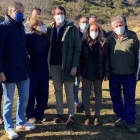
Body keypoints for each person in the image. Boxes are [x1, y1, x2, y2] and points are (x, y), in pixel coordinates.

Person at [0, 2, 35, 139]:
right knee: (8, 101)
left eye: (22, 11)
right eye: (18, 11)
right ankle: (9, 127)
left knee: (24, 98)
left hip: (23, 69)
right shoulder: (3, 28)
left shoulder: (20, 26)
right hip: (8, 71)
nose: (21, 13)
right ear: (10, 12)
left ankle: (21, 121)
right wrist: (1, 71)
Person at [47, 6, 82, 126]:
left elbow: (78, 48)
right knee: (57, 90)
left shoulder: (72, 28)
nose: (60, 15)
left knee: (69, 91)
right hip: (54, 65)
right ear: (53, 15)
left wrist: (74, 66)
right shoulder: (49, 29)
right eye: (57, 13)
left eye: (62, 13)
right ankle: (59, 113)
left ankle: (71, 115)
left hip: (68, 66)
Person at [107, 16, 139, 134]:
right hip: (114, 75)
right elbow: (106, 57)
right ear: (112, 28)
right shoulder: (109, 40)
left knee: (129, 99)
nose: (119, 28)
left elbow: (138, 57)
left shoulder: (133, 39)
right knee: (116, 98)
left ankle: (130, 122)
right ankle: (121, 116)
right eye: (117, 26)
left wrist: (137, 72)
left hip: (129, 74)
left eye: (121, 25)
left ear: (125, 25)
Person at [78, 22, 110, 126]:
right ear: (88, 31)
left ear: (99, 31)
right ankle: (87, 115)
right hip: (86, 72)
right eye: (92, 30)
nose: (94, 32)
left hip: (98, 72)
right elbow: (80, 59)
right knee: (86, 95)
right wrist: (79, 73)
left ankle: (97, 115)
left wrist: (106, 73)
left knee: (98, 94)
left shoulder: (103, 43)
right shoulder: (83, 42)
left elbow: (106, 58)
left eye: (96, 30)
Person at [26, 16, 49, 124]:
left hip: (44, 70)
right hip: (32, 70)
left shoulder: (45, 37)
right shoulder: (28, 37)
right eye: (41, 23)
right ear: (34, 26)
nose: (43, 25)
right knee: (31, 94)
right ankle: (30, 115)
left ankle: (40, 113)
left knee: (43, 93)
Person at [74, 16, 89, 113]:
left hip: (86, 64)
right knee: (75, 84)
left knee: (86, 85)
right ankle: (75, 103)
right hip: (76, 62)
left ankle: (85, 103)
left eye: (86, 22)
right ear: (79, 23)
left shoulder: (91, 34)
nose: (84, 23)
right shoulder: (75, 33)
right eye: (83, 22)